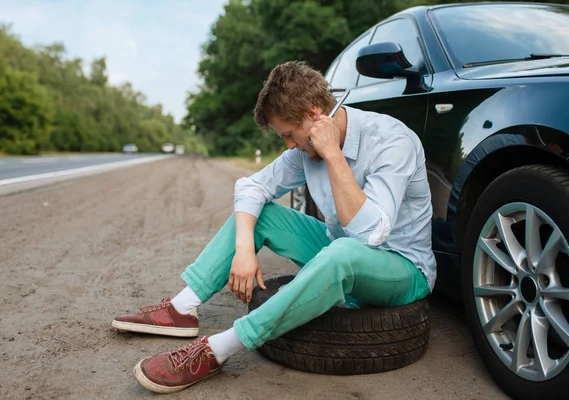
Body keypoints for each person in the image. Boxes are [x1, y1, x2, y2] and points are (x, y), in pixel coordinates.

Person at [111, 60, 437, 393]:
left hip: (401, 267)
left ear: (313, 115)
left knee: (343, 252)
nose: (290, 145)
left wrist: (333, 155)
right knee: (262, 214)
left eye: (289, 135)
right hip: (340, 249)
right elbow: (251, 187)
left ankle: (219, 349)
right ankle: (182, 308)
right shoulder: (302, 148)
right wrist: (243, 251)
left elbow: (370, 235)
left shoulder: (392, 140)